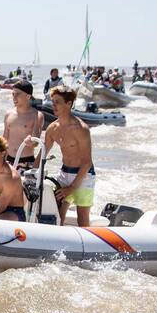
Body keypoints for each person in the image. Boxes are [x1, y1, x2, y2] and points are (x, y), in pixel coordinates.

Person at [43, 87, 95, 226]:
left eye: (57, 102)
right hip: (64, 174)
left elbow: (87, 162)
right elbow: (42, 154)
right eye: (52, 102)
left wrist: (72, 188)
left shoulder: (81, 129)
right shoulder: (52, 128)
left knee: (82, 217)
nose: (53, 105)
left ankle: (87, 246)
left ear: (69, 104)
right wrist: (31, 172)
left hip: (84, 176)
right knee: (57, 213)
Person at [3, 80, 44, 169]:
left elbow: (36, 142)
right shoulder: (8, 114)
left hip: (26, 162)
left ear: (28, 96)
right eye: (13, 94)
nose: (14, 97)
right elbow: (4, 139)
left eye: (18, 94)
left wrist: (31, 141)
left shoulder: (36, 115)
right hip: (8, 160)